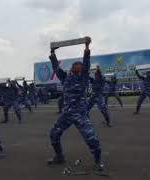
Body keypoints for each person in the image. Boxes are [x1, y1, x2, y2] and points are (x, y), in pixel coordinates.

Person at [47, 38, 105, 171]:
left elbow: (86, 64)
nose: (78, 67)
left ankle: (98, 161)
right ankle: (59, 156)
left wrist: (86, 48)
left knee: (92, 140)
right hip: (67, 114)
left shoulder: (84, 77)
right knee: (54, 134)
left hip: (80, 114)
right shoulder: (65, 77)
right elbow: (56, 67)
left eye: (80, 66)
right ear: (72, 68)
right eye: (75, 65)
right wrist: (52, 53)